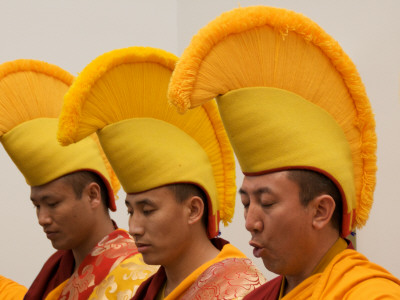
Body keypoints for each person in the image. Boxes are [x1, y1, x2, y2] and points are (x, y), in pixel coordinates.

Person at [168, 5, 400, 299]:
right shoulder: (259, 296)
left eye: (266, 202)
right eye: (246, 202)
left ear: (320, 211)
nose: (251, 222)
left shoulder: (370, 295)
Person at [57, 46, 266, 299]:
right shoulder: (148, 289)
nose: (134, 227)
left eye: (148, 210)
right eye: (131, 211)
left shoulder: (239, 290)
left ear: (193, 210)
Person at [0, 59, 157, 299]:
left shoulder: (138, 275)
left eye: (52, 204)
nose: (43, 219)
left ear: (93, 195)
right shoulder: (58, 271)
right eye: (37, 205)